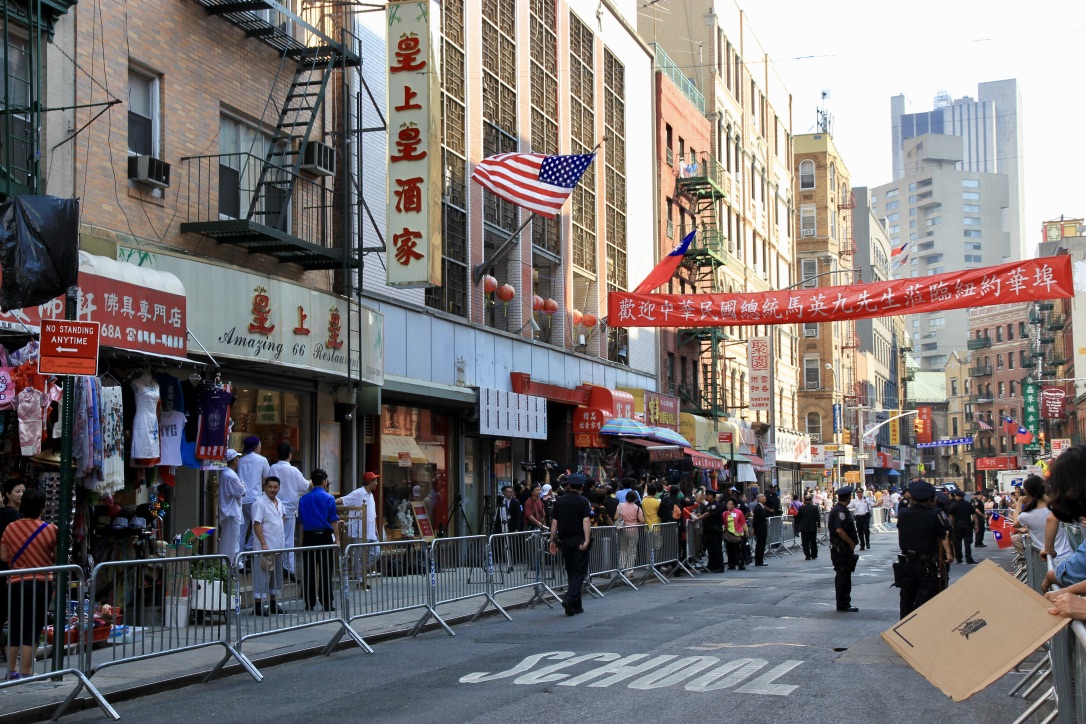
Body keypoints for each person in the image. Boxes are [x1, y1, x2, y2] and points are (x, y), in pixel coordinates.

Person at [0, 488, 57, 680]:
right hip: (41, 582)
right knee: (32, 627)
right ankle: (26, 671)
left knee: (15, 624)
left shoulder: (10, 528)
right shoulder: (50, 529)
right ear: (42, 508)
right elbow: (57, 558)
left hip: (15, 582)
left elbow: (3, 556)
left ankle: (12, 670)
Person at [895, 481, 951, 619]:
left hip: (906, 562)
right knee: (925, 597)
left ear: (912, 497)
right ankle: (920, 628)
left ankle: (903, 629)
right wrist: (949, 554)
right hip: (926, 563)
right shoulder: (935, 513)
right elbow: (944, 535)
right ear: (931, 497)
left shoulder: (903, 513)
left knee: (906, 597)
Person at [549, 473, 592, 615]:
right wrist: (587, 539)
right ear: (582, 486)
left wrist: (552, 539)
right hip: (578, 539)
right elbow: (586, 521)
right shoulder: (583, 501)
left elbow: (554, 522)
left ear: (568, 485)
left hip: (564, 540)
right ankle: (569, 598)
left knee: (571, 570)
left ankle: (576, 605)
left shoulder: (559, 501)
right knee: (579, 571)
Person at [268, 442, 311, 580]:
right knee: (288, 539)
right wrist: (311, 481)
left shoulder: (273, 468)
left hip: (275, 507)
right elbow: (304, 486)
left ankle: (276, 566)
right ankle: (289, 569)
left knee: (274, 536)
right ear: (289, 455)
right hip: (290, 509)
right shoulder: (293, 470)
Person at [298, 469, 339, 612]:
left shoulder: (303, 499)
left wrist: (302, 541)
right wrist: (337, 539)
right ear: (324, 482)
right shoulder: (329, 498)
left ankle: (309, 603)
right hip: (324, 536)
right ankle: (327, 602)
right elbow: (333, 521)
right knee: (326, 571)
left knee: (309, 571)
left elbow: (301, 523)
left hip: (309, 537)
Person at [1015, 475, 1073, 564]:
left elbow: (1015, 524)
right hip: (1068, 556)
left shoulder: (1026, 515)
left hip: (1047, 560)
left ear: (1027, 492)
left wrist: (1019, 502)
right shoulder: (1055, 508)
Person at [251, 476, 286, 616]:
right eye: (270, 486)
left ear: (279, 488)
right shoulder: (259, 503)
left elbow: (282, 519)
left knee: (276, 576)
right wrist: (263, 543)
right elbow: (256, 523)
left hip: (278, 546)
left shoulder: (280, 502)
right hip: (265, 547)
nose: (272, 489)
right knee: (262, 576)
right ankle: (258, 605)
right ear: (265, 487)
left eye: (275, 487)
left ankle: (273, 602)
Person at [337, 472, 380, 581]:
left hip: (371, 531)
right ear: (370, 482)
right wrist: (329, 502)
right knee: (358, 555)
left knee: (376, 553)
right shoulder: (358, 493)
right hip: (360, 530)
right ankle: (359, 577)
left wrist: (376, 529)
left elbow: (373, 514)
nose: (376, 483)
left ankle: (360, 570)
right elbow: (344, 499)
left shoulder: (371, 495)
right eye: (375, 481)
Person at [1, 480, 24, 648]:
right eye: (18, 491)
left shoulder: (12, 514)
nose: (22, 494)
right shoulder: (12, 515)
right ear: (8, 494)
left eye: (24, 491)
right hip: (7, 568)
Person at [830, 486, 860, 613]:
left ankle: (844, 602)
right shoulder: (840, 511)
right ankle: (843, 603)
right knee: (843, 575)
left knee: (845, 575)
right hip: (841, 548)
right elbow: (839, 530)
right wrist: (850, 542)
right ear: (848, 497)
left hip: (842, 548)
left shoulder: (841, 509)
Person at [238, 436, 270, 554]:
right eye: (260, 445)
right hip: (254, 498)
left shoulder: (240, 460)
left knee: (242, 529)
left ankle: (239, 557)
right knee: (258, 525)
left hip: (241, 498)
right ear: (256, 446)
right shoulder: (262, 460)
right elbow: (267, 478)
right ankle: (248, 548)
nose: (260, 447)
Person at [217, 450, 245, 570]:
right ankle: (226, 566)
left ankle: (231, 564)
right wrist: (243, 486)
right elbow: (241, 491)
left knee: (231, 540)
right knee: (230, 541)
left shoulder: (225, 473)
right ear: (234, 460)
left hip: (229, 511)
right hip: (231, 512)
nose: (238, 460)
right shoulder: (231, 475)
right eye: (237, 458)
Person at [616, 490, 645, 571]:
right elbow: (642, 520)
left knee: (623, 549)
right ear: (635, 498)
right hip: (634, 530)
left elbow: (615, 517)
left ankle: (621, 567)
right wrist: (637, 524)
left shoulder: (620, 506)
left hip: (622, 529)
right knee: (632, 550)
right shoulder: (637, 508)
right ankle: (630, 570)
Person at [948, 489, 977, 564]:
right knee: (967, 543)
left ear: (957, 496)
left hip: (957, 525)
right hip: (967, 524)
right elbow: (974, 515)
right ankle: (968, 558)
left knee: (958, 542)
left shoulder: (954, 505)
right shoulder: (968, 504)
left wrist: (952, 524)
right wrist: (976, 525)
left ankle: (959, 558)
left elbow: (951, 516)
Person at [723, 498, 747, 571]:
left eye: (730, 504)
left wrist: (746, 531)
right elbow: (723, 523)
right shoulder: (724, 513)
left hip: (738, 533)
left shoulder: (739, 512)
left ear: (734, 505)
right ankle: (731, 564)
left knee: (739, 550)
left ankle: (741, 563)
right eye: (728, 504)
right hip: (728, 534)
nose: (728, 506)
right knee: (729, 549)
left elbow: (743, 522)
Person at [795, 494, 821, 560]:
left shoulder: (801, 508)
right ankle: (814, 554)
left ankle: (807, 555)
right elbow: (818, 517)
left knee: (805, 542)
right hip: (812, 527)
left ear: (805, 500)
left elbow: (798, 517)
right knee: (813, 542)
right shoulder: (815, 507)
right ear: (811, 500)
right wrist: (819, 526)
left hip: (804, 528)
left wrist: (798, 525)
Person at [751, 494, 769, 567]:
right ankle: (759, 561)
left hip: (762, 529)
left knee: (761, 545)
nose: (764, 497)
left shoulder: (761, 507)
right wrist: (754, 529)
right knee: (760, 545)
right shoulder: (758, 508)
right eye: (763, 497)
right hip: (760, 530)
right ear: (759, 499)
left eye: (764, 496)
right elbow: (756, 520)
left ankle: (760, 560)